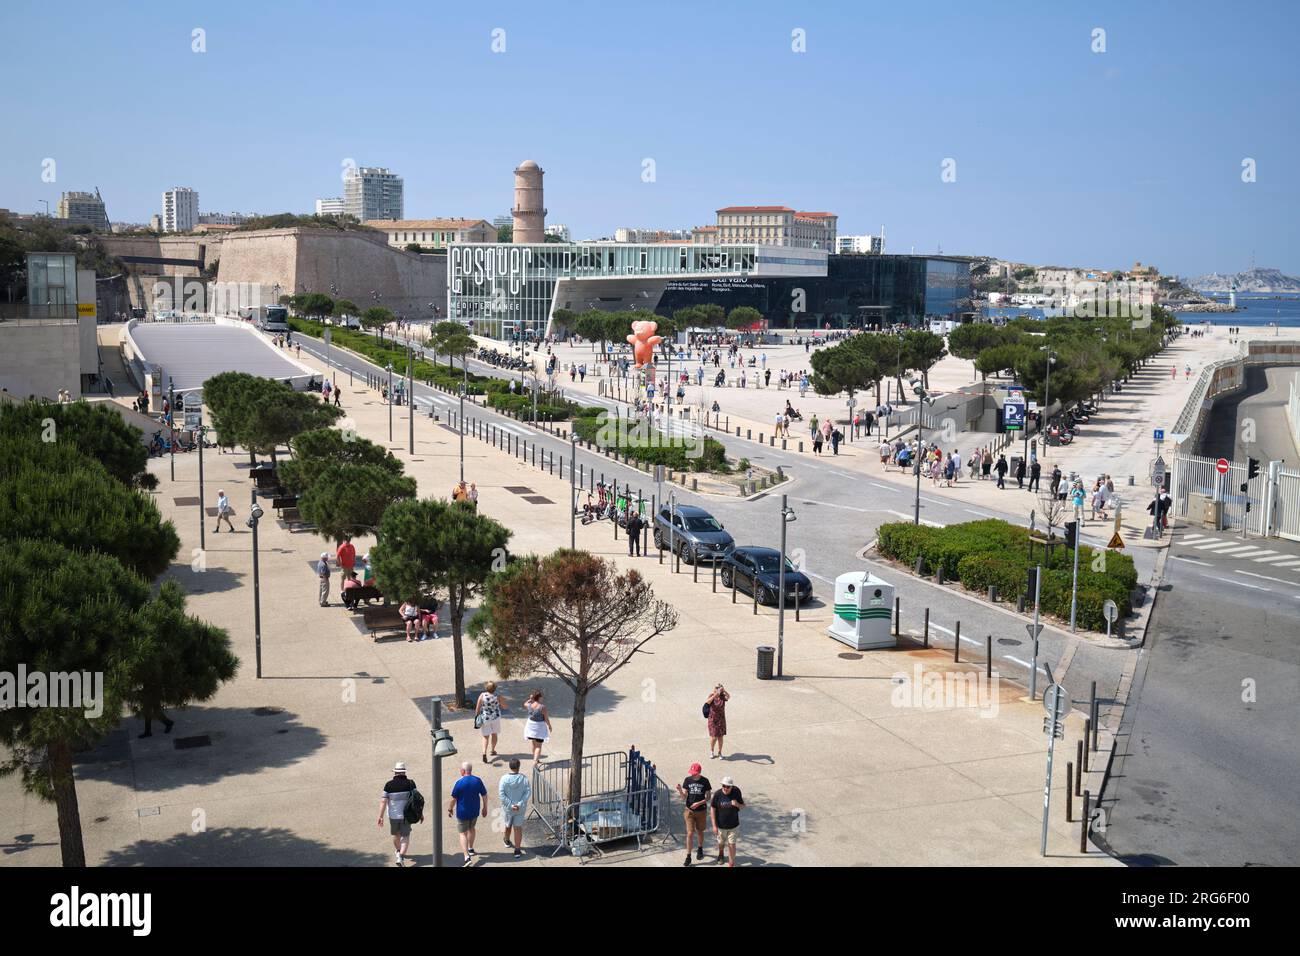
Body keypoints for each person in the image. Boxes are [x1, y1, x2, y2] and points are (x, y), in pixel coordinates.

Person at [378, 761, 419, 867]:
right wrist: (420, 813)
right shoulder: (411, 783)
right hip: (407, 816)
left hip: (393, 816)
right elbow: (416, 800)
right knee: (405, 836)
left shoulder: (388, 785)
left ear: (395, 772)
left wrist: (380, 816)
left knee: (396, 835)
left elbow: (383, 801)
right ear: (404, 772)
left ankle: (398, 852)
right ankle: (400, 856)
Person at [448, 762, 488, 866]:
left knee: (462, 833)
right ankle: (470, 848)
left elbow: (453, 799)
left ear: (463, 771)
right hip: (475, 811)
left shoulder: (459, 783)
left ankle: (466, 857)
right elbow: (484, 795)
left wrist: (450, 808)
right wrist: (485, 808)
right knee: (472, 828)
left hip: (462, 812)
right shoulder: (477, 780)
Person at [676, 762, 712, 866]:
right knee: (690, 833)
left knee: (700, 831)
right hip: (689, 811)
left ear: (699, 772)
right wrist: (679, 791)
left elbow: (708, 797)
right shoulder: (687, 780)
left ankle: (700, 848)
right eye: (691, 772)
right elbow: (684, 797)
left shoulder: (705, 781)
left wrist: (698, 803)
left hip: (701, 811)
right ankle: (688, 856)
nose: (692, 774)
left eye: (694, 773)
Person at [498, 758, 531, 859]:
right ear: (518, 767)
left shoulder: (504, 778)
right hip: (520, 809)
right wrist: (519, 804)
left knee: (507, 825)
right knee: (517, 828)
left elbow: (501, 794)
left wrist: (511, 805)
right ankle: (517, 850)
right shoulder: (524, 778)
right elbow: (527, 792)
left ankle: (507, 840)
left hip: (508, 809)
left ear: (510, 766)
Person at [710, 776, 745, 867]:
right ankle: (721, 854)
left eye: (728, 787)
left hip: (734, 826)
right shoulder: (718, 794)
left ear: (731, 787)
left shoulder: (736, 792)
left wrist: (737, 804)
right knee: (721, 843)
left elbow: (743, 806)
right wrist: (714, 825)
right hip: (721, 826)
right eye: (724, 786)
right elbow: (713, 809)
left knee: (732, 844)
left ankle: (731, 864)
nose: (725, 788)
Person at [475, 681, 506, 763]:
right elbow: (504, 706)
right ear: (494, 688)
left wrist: (477, 717)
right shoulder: (497, 696)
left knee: (485, 736)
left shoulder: (482, 695)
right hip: (495, 718)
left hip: (486, 718)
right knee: (494, 734)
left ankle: (484, 752)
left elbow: (477, 708)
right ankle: (492, 750)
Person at [523, 690, 552, 768]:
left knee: (533, 743)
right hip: (539, 727)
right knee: (538, 746)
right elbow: (546, 718)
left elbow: (524, 704)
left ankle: (535, 758)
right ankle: (535, 761)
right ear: (539, 697)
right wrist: (549, 726)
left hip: (530, 726)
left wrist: (530, 699)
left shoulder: (529, 705)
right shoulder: (542, 707)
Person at [705, 684, 729, 759]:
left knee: (720, 737)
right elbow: (707, 702)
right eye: (716, 688)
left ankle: (720, 752)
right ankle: (712, 751)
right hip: (712, 719)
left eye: (719, 688)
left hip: (721, 719)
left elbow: (728, 697)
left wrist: (724, 691)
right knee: (714, 737)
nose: (718, 689)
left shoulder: (722, 696)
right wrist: (715, 695)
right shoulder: (711, 695)